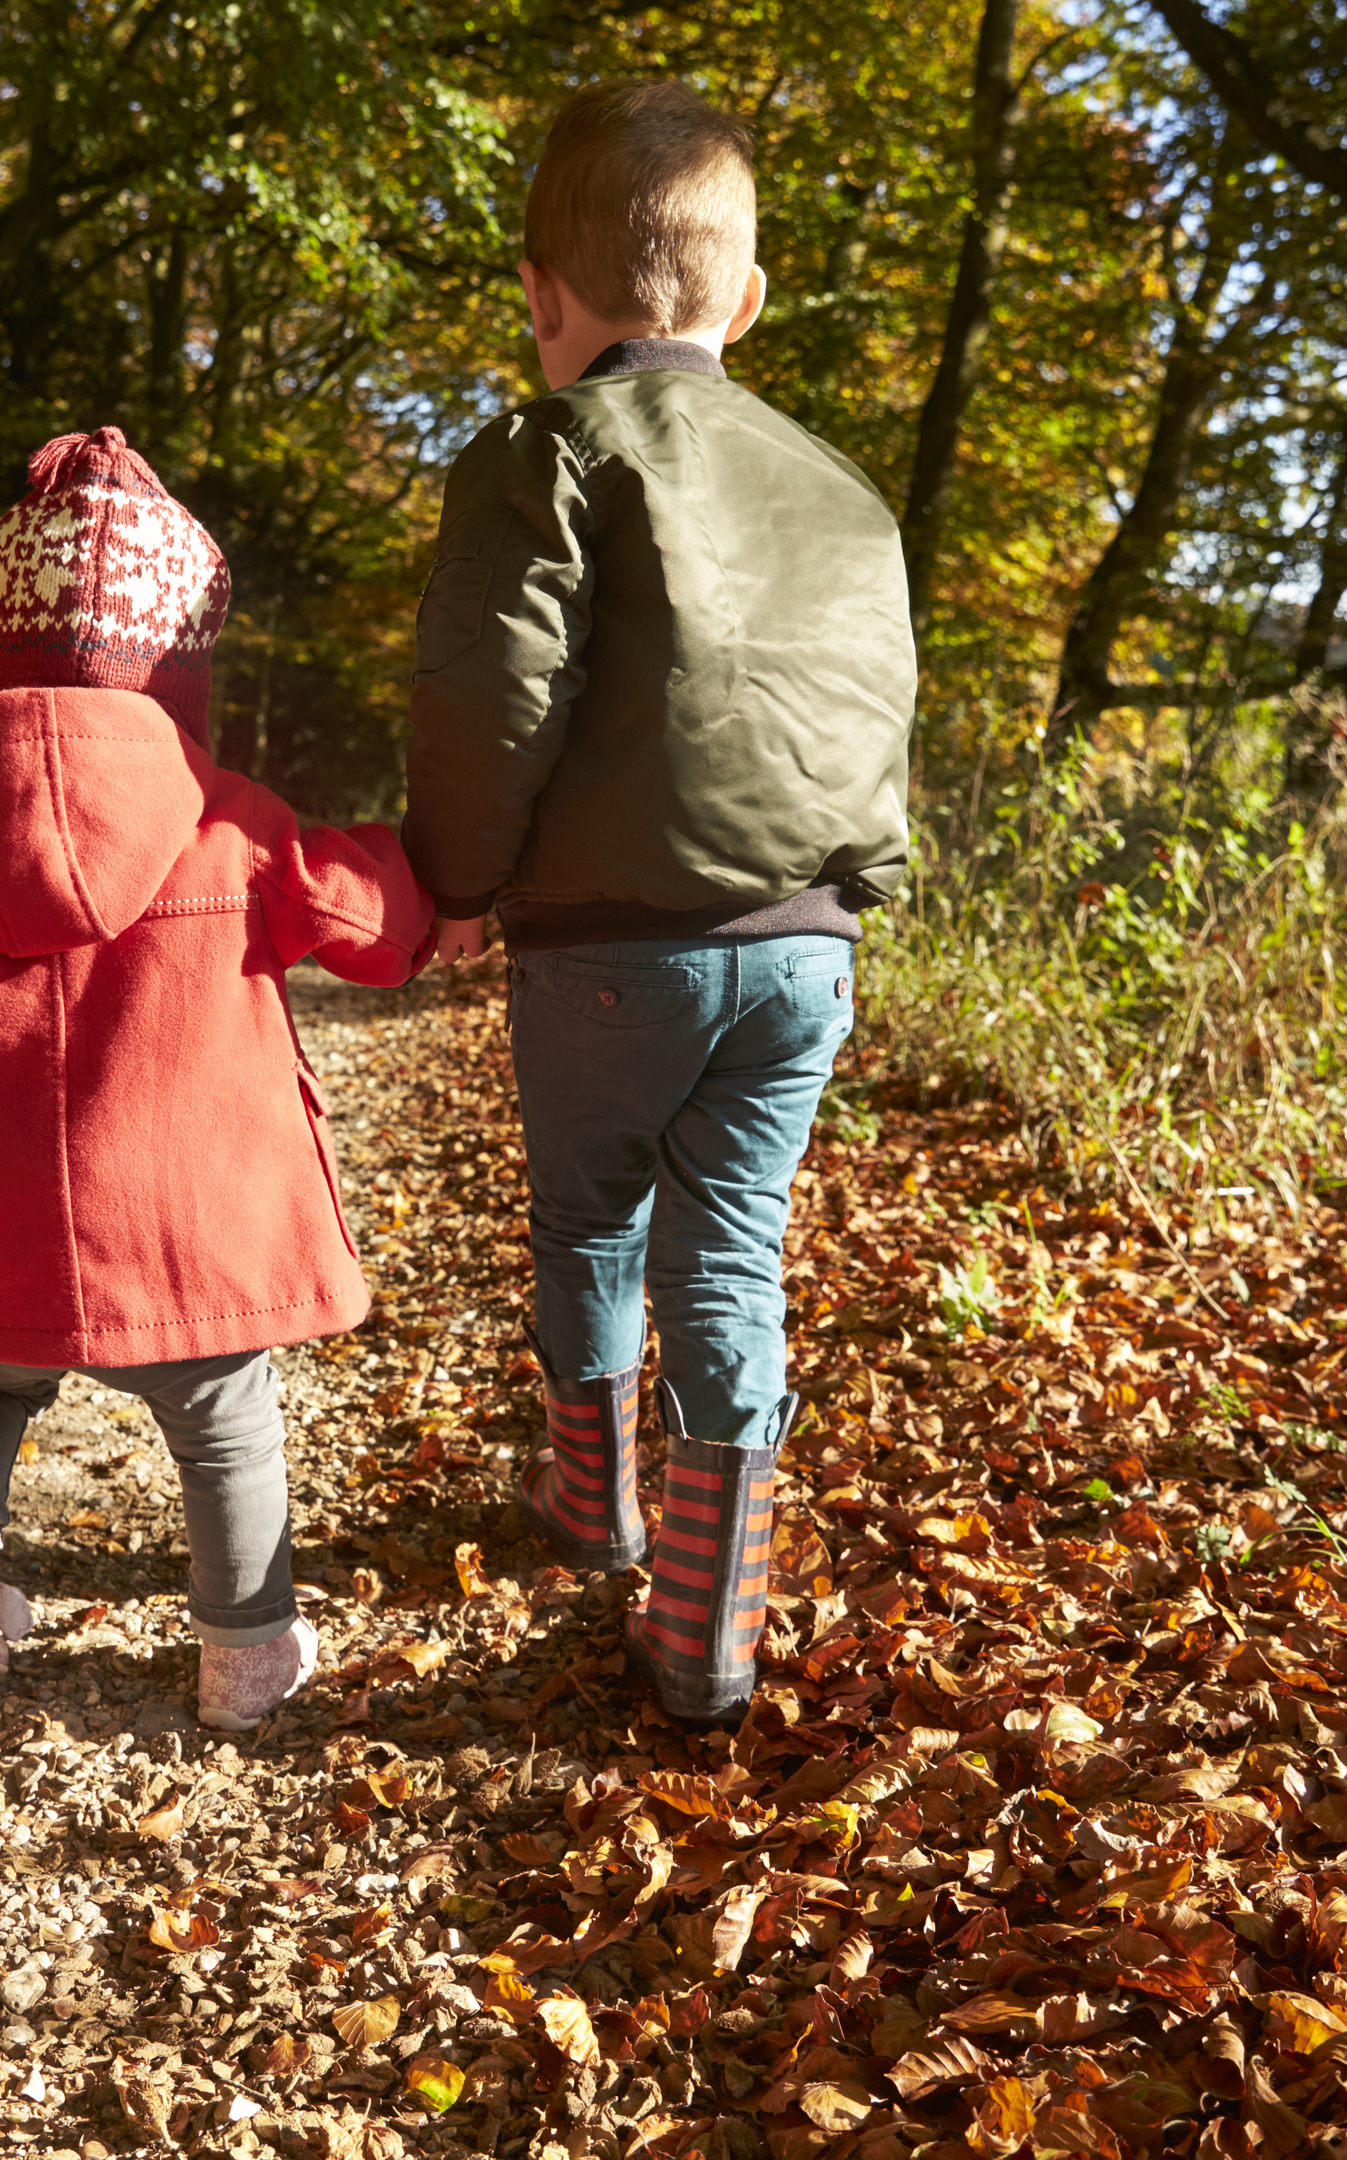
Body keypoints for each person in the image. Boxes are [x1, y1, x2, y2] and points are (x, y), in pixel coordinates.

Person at [402, 81, 918, 1723]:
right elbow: (871, 700)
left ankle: (592, 1498)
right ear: (746, 303)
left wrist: (459, 882)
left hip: (611, 948)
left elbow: (493, 690)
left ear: (543, 302)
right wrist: (851, 884)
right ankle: (708, 1613)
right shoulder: (843, 490)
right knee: (734, 1253)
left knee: (593, 1218)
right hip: (807, 949)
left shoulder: (542, 453)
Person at [0, 427, 434, 1732]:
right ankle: (246, 1654)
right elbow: (369, 924)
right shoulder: (233, 823)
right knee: (225, 1419)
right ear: (179, 660)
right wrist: (445, 896)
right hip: (187, 1236)